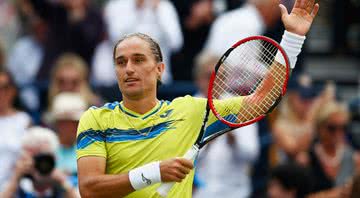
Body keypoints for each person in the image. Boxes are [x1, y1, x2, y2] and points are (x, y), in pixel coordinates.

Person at [76, 0, 319, 197]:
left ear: (160, 69)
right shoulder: (96, 119)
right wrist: (155, 172)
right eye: (121, 62)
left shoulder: (191, 112)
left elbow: (263, 100)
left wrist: (292, 39)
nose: (128, 68)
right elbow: (89, 188)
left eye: (139, 60)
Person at [192, 51, 259, 198]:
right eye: (209, 76)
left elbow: (251, 154)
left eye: (221, 76)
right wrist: (211, 136)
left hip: (236, 193)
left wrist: (232, 138)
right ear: (198, 79)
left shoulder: (242, 105)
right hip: (199, 193)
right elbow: (182, 158)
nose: (215, 81)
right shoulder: (187, 108)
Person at [93, 0, 183, 86]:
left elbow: (176, 43)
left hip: (158, 78)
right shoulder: (115, 6)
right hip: (124, 78)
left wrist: (158, 11)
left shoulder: (164, 6)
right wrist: (137, 10)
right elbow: (115, 39)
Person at [0, 126, 79, 198]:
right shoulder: (17, 185)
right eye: (34, 158)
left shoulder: (68, 182)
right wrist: (15, 179)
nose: (41, 164)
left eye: (44, 158)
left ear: (55, 158)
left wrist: (64, 184)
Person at [204, 0, 282, 56]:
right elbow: (236, 62)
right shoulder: (252, 24)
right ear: (267, 9)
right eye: (276, 11)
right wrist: (268, 72)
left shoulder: (234, 16)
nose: (276, 17)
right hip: (219, 74)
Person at [0, 69, 32, 190]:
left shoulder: (23, 120)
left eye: (4, 87)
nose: (0, 93)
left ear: (13, 91)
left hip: (16, 187)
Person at [49, 92, 88, 175]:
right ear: (57, 123)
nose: (71, 127)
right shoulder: (47, 148)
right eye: (65, 123)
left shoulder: (90, 148)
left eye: (75, 123)